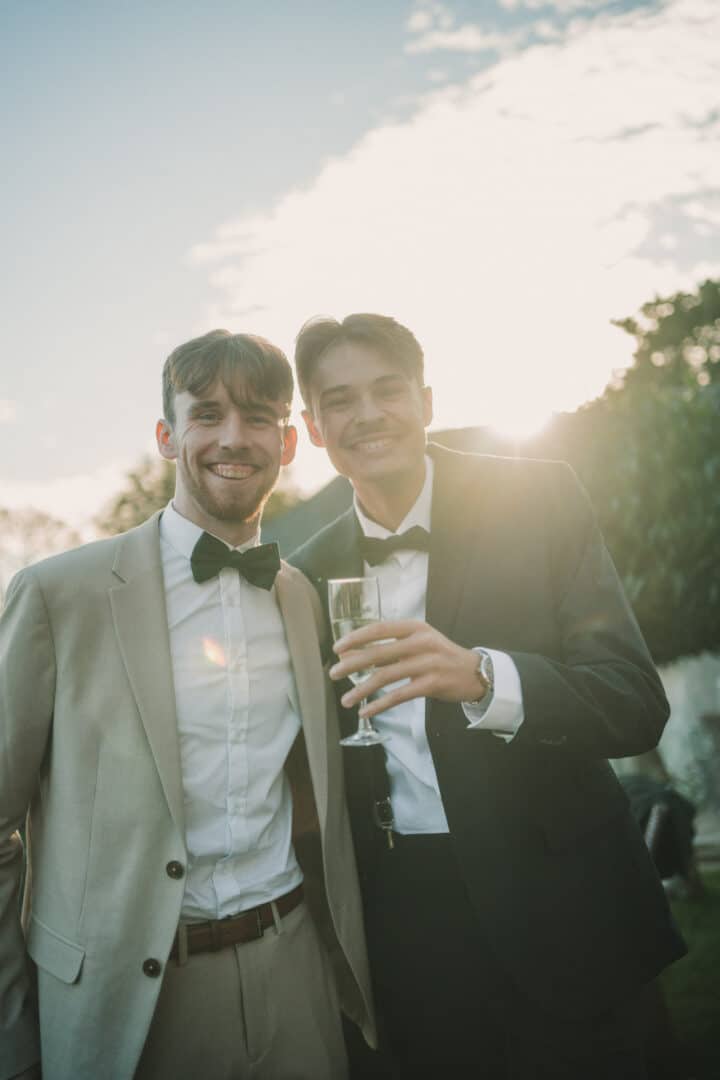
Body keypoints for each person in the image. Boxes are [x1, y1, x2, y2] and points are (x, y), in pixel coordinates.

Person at [290, 312, 686, 1079]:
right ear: (312, 428)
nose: (366, 414)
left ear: (427, 401)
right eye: (339, 401)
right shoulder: (301, 572)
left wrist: (484, 678)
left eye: (387, 390)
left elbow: (635, 702)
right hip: (407, 926)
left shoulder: (538, 496)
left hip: (566, 906)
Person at [0, 330, 375, 1080]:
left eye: (258, 417)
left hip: (297, 977)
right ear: (168, 437)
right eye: (207, 414)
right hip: (129, 1007)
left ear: (289, 441)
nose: (233, 439)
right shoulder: (56, 596)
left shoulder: (304, 599)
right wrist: (14, 1029)